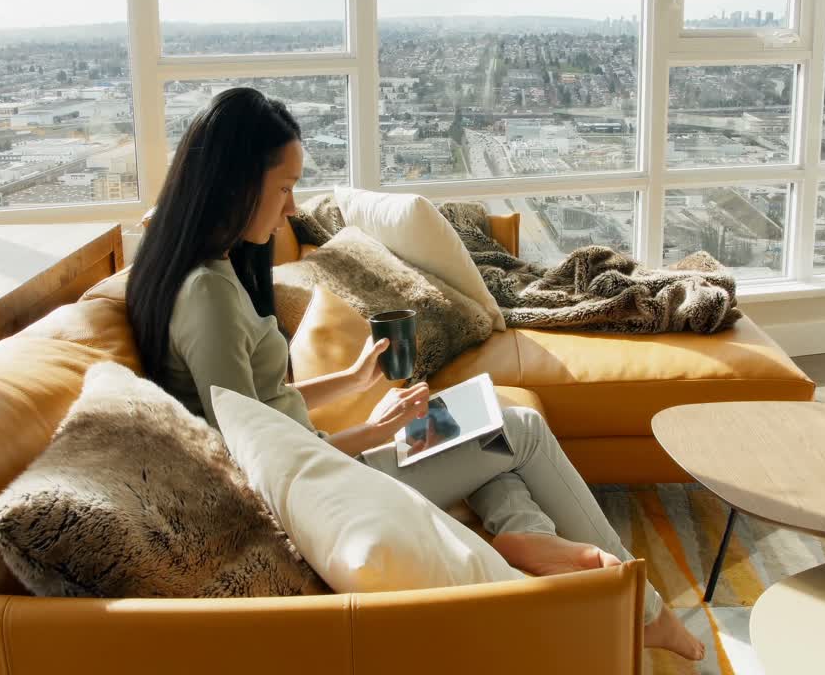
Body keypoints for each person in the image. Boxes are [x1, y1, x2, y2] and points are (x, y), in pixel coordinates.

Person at [126, 87, 705, 662]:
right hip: (325, 484)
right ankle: (643, 611)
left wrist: (351, 380)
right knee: (518, 428)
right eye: (283, 187)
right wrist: (372, 435)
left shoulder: (208, 270)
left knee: (483, 440)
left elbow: (257, 404)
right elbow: (252, 455)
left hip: (322, 461)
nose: (293, 207)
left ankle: (528, 540)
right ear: (234, 181)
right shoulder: (206, 296)